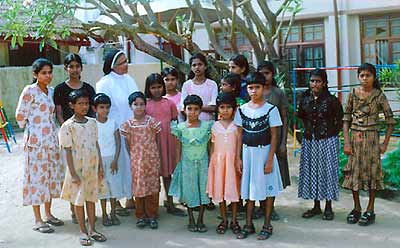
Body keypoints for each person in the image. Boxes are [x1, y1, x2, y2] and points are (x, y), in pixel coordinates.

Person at [343, 63, 396, 226]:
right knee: (354, 173)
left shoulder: (379, 95)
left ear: (374, 77)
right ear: (358, 77)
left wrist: (384, 143)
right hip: (355, 139)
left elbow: (390, 121)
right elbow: (346, 118)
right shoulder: (352, 93)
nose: (365, 78)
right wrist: (346, 141)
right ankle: (357, 207)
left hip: (372, 139)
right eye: (362, 75)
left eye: (368, 75)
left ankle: (370, 209)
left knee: (373, 174)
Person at [16, 58, 65, 233]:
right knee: (36, 180)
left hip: (51, 141)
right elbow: (20, 116)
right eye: (44, 72)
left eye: (50, 72)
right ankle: (37, 219)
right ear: (35, 74)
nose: (48, 75)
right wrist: (34, 128)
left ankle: (48, 214)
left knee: (49, 178)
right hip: (36, 143)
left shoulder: (51, 92)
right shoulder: (29, 91)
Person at [234, 72, 283, 240]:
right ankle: (248, 224)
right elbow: (239, 135)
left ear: (264, 88)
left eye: (257, 87)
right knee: (249, 190)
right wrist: (238, 158)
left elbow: (275, 136)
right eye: (250, 88)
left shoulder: (271, 109)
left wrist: (270, 159)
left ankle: (267, 224)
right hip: (248, 154)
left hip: (264, 153)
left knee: (268, 189)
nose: (253, 91)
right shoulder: (242, 110)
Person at [59, 89, 106, 246]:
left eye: (86, 103)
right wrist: (72, 173)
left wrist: (100, 167)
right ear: (72, 105)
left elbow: (96, 144)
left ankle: (92, 229)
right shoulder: (68, 126)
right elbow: (67, 150)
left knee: (91, 199)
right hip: (77, 169)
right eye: (80, 104)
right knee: (78, 201)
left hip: (92, 167)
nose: (84, 106)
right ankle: (83, 231)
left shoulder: (92, 123)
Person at [54, 53, 96, 224]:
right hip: (70, 136)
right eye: (70, 66)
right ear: (66, 68)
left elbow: (92, 112)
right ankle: (74, 209)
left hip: (86, 136)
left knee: (87, 175)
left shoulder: (88, 88)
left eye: (77, 66)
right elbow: (58, 113)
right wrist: (70, 130)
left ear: (81, 68)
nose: (74, 69)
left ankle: (88, 212)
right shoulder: (60, 89)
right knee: (73, 175)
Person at [297, 69, 343, 221]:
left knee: (327, 172)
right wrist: (307, 132)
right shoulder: (304, 99)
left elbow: (340, 120)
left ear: (324, 83)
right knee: (313, 172)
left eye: (318, 81)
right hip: (310, 140)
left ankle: (328, 207)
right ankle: (316, 206)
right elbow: (301, 117)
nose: (315, 84)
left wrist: (331, 135)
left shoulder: (332, 100)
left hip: (327, 140)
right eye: (312, 81)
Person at [96, 49, 139, 213]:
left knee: (131, 164)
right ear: (112, 65)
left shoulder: (129, 79)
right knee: (116, 165)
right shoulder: (104, 83)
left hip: (132, 129)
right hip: (113, 131)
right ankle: (115, 201)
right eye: (121, 62)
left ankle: (131, 197)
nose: (125, 64)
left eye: (126, 61)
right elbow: (103, 109)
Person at [169, 95, 213, 232]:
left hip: (203, 163)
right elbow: (178, 149)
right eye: (189, 109)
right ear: (184, 110)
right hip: (186, 165)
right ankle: (191, 219)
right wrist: (178, 165)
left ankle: (200, 219)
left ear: (200, 111)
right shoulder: (180, 127)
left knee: (202, 191)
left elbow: (210, 148)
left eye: (196, 109)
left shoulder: (207, 126)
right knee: (189, 191)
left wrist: (211, 164)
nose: (192, 112)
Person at [144, 73, 186, 216]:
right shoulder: (145, 105)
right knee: (153, 175)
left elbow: (175, 124)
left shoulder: (170, 104)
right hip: (152, 144)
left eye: (159, 87)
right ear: (148, 89)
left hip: (168, 142)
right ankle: (152, 207)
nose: (156, 90)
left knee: (168, 174)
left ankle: (170, 203)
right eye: (153, 87)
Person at [120, 92, 161, 229]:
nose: (139, 107)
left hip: (152, 160)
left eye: (141, 104)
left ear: (145, 105)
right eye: (135, 104)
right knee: (139, 187)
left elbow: (157, 140)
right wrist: (134, 155)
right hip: (137, 161)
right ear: (130, 106)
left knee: (152, 186)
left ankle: (152, 215)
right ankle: (141, 215)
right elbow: (127, 143)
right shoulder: (128, 125)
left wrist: (154, 155)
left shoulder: (152, 122)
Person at [257, 61, 290, 220]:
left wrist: (283, 142)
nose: (265, 76)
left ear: (272, 74)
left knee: (272, 175)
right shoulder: (255, 92)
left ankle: (271, 207)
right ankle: (260, 206)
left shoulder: (278, 93)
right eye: (261, 73)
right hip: (257, 141)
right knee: (258, 174)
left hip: (274, 140)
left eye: (267, 73)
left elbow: (284, 118)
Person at [206, 93, 242, 235]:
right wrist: (212, 163)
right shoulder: (214, 126)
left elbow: (239, 143)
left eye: (228, 107)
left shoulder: (237, 126)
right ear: (218, 109)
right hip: (219, 163)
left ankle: (234, 220)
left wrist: (238, 159)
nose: (225, 110)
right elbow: (212, 146)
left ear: (234, 109)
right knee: (220, 190)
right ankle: (224, 220)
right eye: (222, 107)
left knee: (233, 191)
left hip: (232, 162)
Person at [93, 93, 124, 227]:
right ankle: (104, 214)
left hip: (112, 160)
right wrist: (99, 165)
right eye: (101, 107)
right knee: (103, 188)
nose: (105, 110)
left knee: (113, 187)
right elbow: (95, 145)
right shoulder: (92, 124)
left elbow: (118, 143)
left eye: (107, 107)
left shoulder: (113, 123)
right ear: (95, 109)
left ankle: (113, 213)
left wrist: (116, 160)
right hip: (99, 160)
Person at [180, 53, 218, 121]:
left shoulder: (212, 84)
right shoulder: (187, 85)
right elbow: (183, 107)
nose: (197, 67)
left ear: (205, 66)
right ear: (191, 68)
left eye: (200, 64)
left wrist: (194, 107)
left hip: (208, 124)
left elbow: (214, 107)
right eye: (194, 65)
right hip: (191, 125)